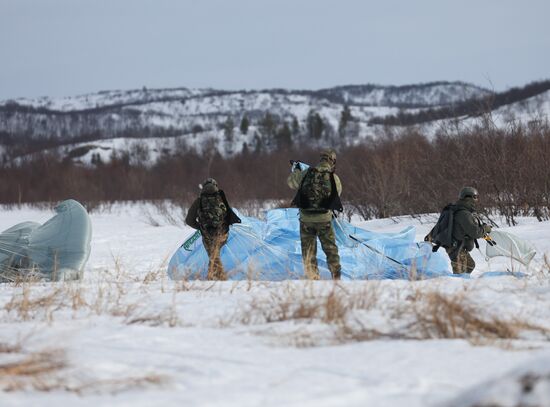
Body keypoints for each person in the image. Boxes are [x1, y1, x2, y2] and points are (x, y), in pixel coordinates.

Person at [287, 149, 343, 280]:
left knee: (308, 250)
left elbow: (291, 182)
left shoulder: (306, 173)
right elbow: (337, 194)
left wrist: (296, 170)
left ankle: (312, 277)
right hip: (324, 219)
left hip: (306, 219)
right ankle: (336, 275)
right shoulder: (334, 178)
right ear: (332, 161)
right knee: (330, 249)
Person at [185, 178, 241, 280]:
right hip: (223, 233)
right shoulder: (221, 198)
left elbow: (189, 220)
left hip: (208, 235)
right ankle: (215, 277)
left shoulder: (199, 201)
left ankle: (217, 278)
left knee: (213, 255)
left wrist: (201, 228)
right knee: (215, 255)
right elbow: (229, 214)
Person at [446, 186, 491, 274]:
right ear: (468, 198)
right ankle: (457, 286)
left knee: (470, 265)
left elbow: (472, 229)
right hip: (456, 248)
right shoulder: (463, 214)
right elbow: (475, 233)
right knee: (460, 276)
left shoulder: (464, 211)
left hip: (459, 247)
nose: (476, 200)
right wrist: (485, 229)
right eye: (475, 197)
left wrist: (482, 230)